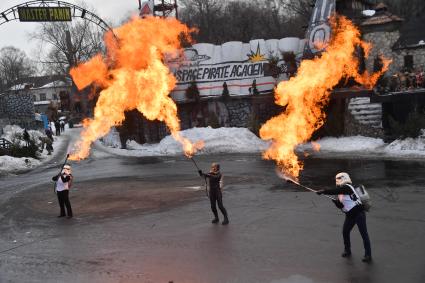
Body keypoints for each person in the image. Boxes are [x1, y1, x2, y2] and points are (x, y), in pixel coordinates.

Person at [317, 172, 372, 263]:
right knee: (345, 232)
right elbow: (341, 206)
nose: (337, 181)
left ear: (344, 178)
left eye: (339, 179)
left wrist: (324, 191)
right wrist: (336, 203)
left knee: (364, 234)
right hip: (350, 215)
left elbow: (335, 191)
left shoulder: (348, 187)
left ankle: (368, 255)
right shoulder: (341, 191)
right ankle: (347, 250)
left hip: (359, 213)